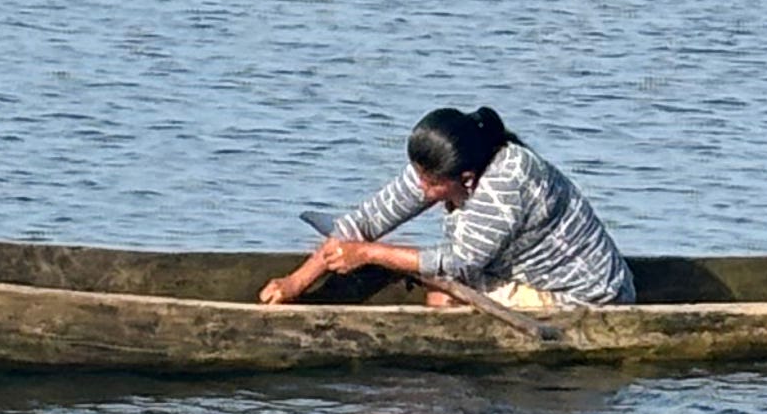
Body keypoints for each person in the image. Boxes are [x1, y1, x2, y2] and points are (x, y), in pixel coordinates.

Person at [258, 104, 637, 311]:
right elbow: (365, 220)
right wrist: (295, 282)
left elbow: (459, 263)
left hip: (585, 295)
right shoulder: (444, 162)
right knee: (434, 289)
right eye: (419, 176)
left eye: (431, 184)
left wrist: (370, 253)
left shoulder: (506, 183)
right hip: (524, 273)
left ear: (466, 179)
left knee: (444, 300)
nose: (421, 189)